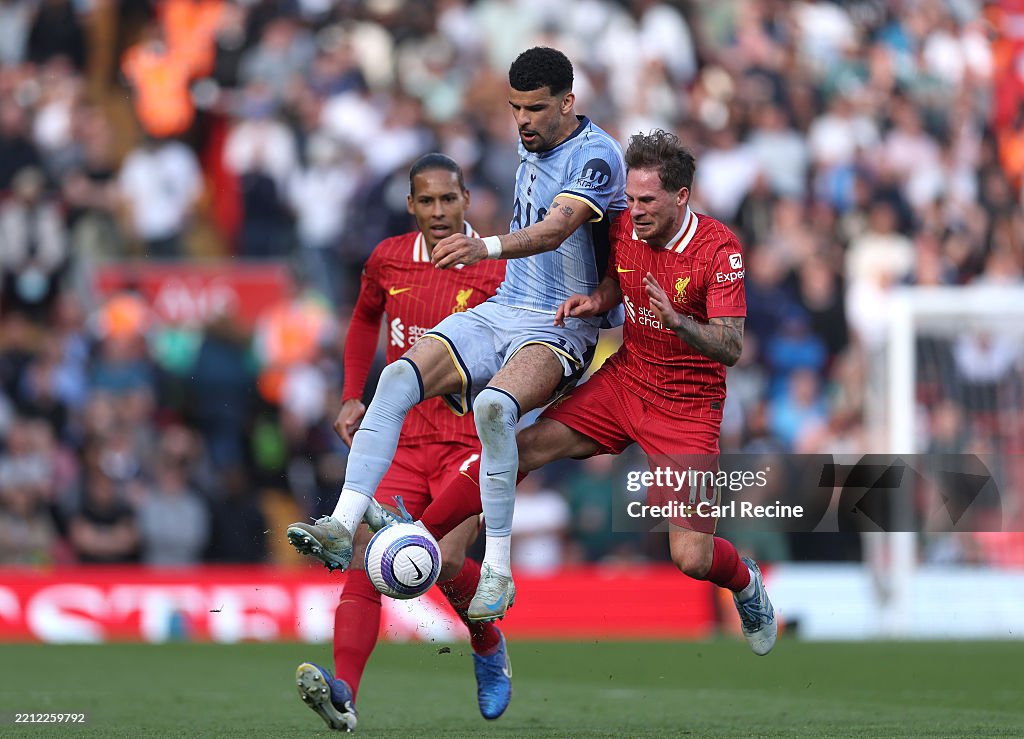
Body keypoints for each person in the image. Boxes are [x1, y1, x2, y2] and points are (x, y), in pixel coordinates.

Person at [367, 130, 778, 655]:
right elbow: (617, 280)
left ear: (681, 196)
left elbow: (732, 346)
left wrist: (680, 322)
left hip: (687, 409)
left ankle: (745, 582)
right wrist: (596, 299)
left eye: (647, 200)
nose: (633, 210)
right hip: (627, 381)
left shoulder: (718, 249)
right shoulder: (626, 228)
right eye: (629, 198)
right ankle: (418, 531)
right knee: (525, 446)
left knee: (692, 558)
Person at [287, 46, 627, 623]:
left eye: (536, 109)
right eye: (515, 108)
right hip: (506, 307)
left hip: (560, 323)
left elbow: (556, 229)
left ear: (568, 103)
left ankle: (497, 569)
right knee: (395, 379)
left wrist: (484, 245)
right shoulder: (532, 141)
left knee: (495, 409)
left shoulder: (595, 156)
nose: (522, 121)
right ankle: (343, 526)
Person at [292, 154, 510, 731]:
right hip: (403, 437)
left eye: (449, 199)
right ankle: (344, 693)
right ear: (411, 204)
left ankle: (487, 644)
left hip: (469, 436)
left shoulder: (498, 265)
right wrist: (349, 395)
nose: (438, 211)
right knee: (370, 563)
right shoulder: (387, 259)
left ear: (467, 200)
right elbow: (365, 320)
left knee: (448, 559)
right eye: (427, 201)